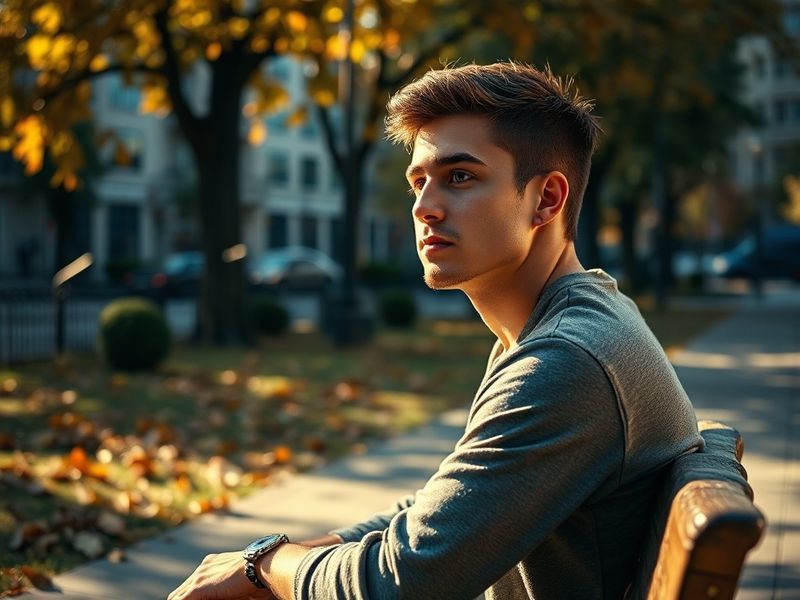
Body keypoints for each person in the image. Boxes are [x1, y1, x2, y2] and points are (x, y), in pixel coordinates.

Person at [168, 61, 703, 600]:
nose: (424, 207)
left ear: (547, 199)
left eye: (460, 177)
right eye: (418, 182)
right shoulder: (558, 328)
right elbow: (432, 518)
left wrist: (266, 563)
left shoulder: (565, 361)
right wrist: (292, 559)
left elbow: (400, 584)